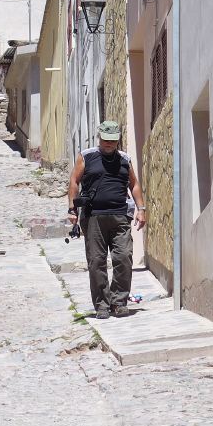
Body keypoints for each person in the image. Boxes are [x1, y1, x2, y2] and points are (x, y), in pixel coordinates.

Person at [67, 120, 146, 319]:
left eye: (112, 141)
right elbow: (74, 181)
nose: (108, 144)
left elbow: (134, 185)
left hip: (120, 216)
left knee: (123, 258)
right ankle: (101, 305)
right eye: (105, 140)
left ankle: (119, 301)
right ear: (99, 137)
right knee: (96, 262)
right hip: (93, 217)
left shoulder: (124, 159)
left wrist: (141, 209)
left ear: (117, 140)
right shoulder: (86, 157)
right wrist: (72, 209)